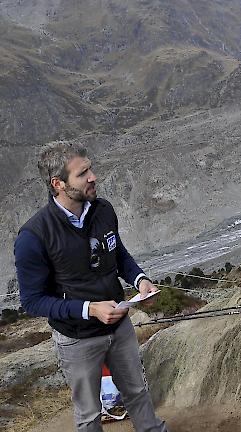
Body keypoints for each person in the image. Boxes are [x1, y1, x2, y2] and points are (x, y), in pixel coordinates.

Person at [14, 142, 167, 432]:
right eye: (83, 173)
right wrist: (89, 309)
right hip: (77, 339)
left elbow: (118, 254)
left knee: (137, 392)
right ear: (58, 184)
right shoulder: (34, 236)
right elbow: (32, 301)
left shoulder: (103, 210)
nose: (93, 176)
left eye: (90, 168)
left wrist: (140, 280)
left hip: (119, 326)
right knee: (89, 415)